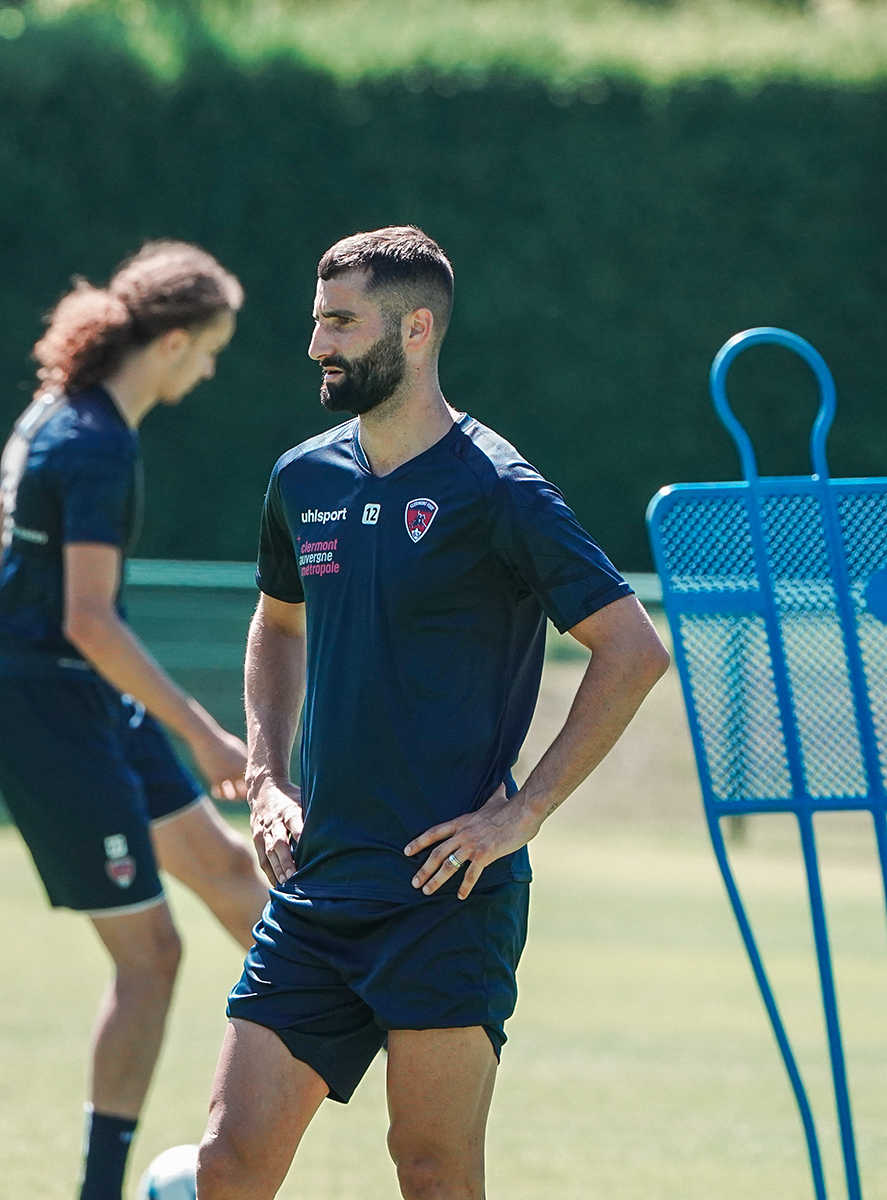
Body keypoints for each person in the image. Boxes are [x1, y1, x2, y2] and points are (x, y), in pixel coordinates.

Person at [195, 227, 670, 1200]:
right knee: (227, 1162)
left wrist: (522, 812)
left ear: (415, 330)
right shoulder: (302, 479)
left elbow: (633, 650)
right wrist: (267, 777)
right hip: (319, 882)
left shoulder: (500, 490)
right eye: (316, 320)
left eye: (341, 322)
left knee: (430, 1168)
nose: (317, 344)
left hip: (446, 893)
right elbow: (277, 624)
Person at [0, 241, 270, 1200]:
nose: (209, 371)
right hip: (51, 710)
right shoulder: (98, 444)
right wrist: (201, 731)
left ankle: (361, 1039)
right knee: (152, 957)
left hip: (79, 697)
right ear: (175, 341)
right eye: (211, 350)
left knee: (232, 874)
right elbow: (88, 620)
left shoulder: (52, 415)